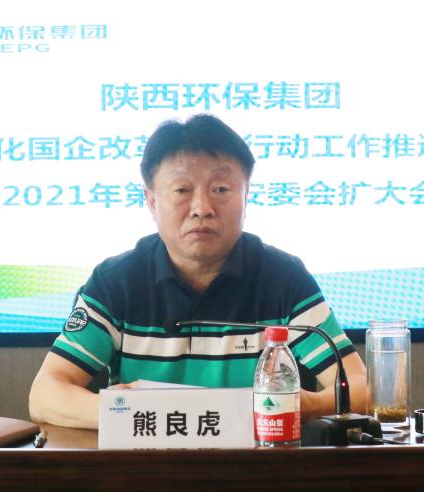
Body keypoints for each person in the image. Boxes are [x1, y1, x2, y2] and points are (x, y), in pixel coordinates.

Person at [29, 114, 366, 429]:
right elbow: (45, 394)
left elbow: (362, 388)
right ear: (152, 201)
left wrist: (300, 404)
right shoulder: (117, 281)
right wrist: (123, 411)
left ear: (246, 196)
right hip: (143, 466)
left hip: (258, 468)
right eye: (182, 190)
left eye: (221, 189)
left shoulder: (283, 279)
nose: (202, 208)